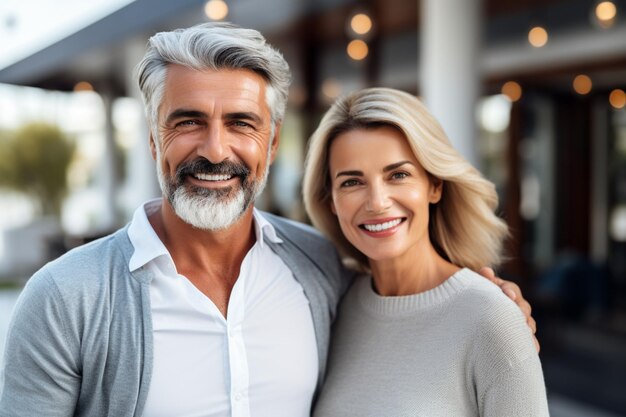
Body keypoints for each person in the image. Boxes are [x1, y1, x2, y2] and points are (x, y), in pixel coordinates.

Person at [0, 23, 535, 417]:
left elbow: (424, 310)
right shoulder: (65, 299)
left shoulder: (320, 271)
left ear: (273, 142)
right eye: (188, 121)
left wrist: (491, 307)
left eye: (241, 123)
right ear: (151, 136)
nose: (215, 149)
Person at [303, 87, 549, 416]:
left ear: (434, 185)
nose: (377, 202)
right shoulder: (336, 306)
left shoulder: (492, 318)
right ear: (330, 201)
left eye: (399, 175)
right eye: (352, 182)